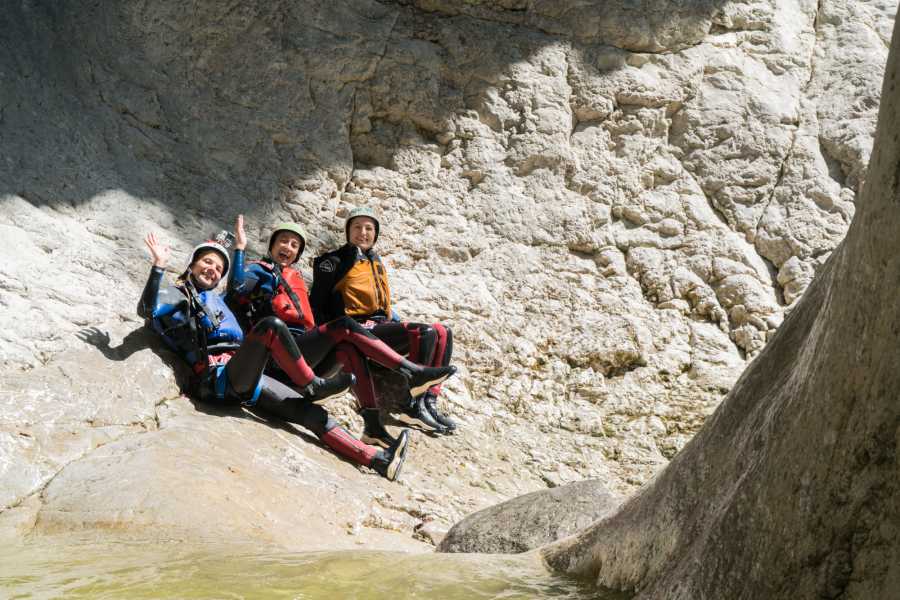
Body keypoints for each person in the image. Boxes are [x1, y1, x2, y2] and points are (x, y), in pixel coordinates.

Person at [137, 217, 408, 481]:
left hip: (246, 379)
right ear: (192, 265)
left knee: (311, 414)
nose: (213, 269)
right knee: (271, 326)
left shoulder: (218, 301)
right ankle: (312, 384)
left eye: (219, 268)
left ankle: (378, 460)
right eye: (207, 262)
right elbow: (147, 309)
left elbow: (238, 291)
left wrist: (237, 249)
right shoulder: (178, 294)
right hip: (216, 378)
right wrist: (159, 266)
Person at [226, 220, 456, 448]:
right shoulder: (260, 270)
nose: (288, 247)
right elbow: (236, 287)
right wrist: (239, 248)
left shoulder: (293, 279)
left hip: (302, 360)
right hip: (277, 357)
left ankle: (373, 426)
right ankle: (411, 372)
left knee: (348, 348)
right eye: (283, 241)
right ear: (272, 246)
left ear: (297, 254)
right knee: (344, 325)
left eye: (294, 245)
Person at [309, 206, 458, 435]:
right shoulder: (334, 261)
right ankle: (409, 404)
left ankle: (427, 403)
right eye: (357, 227)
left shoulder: (374, 260)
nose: (363, 232)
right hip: (359, 330)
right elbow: (317, 304)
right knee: (424, 332)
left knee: (442, 331)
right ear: (348, 231)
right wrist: (321, 342)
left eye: (369, 228)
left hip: (380, 327)